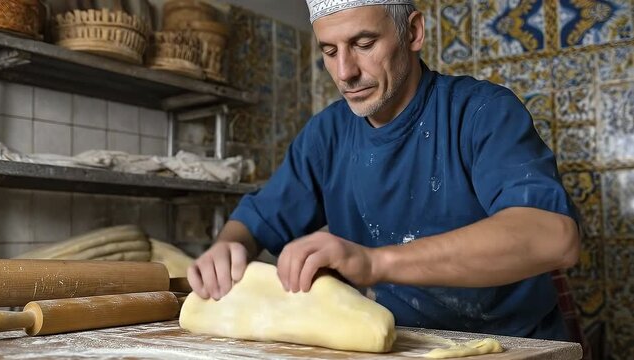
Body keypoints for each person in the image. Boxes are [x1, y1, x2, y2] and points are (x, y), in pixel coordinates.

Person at [187, 0, 580, 341]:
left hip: (511, 345)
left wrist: (375, 263)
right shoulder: (327, 134)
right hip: (395, 343)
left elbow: (553, 236)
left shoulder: (481, 113)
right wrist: (228, 247)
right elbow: (255, 221)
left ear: (412, 32)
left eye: (363, 44)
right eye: (328, 50)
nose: (344, 72)